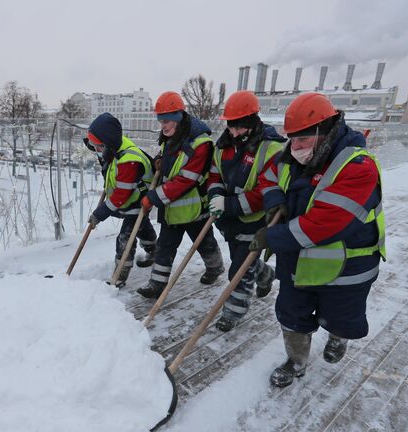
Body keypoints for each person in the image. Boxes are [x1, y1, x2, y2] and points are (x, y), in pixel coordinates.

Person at [249, 93, 386, 387]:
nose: (294, 147)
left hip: (345, 264)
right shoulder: (294, 154)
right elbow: (269, 177)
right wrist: (275, 202)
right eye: (291, 139)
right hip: (297, 262)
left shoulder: (357, 167)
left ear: (324, 132)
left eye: (302, 140)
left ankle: (338, 337)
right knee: (291, 313)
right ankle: (296, 361)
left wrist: (272, 236)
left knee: (341, 317)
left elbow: (322, 225)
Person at [206, 91, 286, 332]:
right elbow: (214, 175)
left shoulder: (272, 149)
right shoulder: (223, 146)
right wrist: (216, 196)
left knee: (238, 270)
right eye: (231, 126)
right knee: (243, 262)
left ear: (252, 121)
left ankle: (234, 311)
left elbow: (265, 193)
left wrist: (227, 205)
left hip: (256, 222)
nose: (233, 132)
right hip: (230, 221)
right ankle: (265, 274)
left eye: (239, 127)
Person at [138, 91, 224, 299]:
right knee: (165, 245)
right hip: (172, 208)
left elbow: (187, 179)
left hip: (194, 208)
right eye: (160, 121)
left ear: (178, 117)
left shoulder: (200, 143)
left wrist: (154, 197)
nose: (163, 126)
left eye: (166, 121)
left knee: (204, 242)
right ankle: (157, 284)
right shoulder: (172, 138)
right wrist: (160, 160)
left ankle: (215, 267)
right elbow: (172, 163)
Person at [86, 113, 157, 288]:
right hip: (129, 199)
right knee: (142, 229)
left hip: (138, 201)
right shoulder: (114, 146)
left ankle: (119, 276)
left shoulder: (129, 161)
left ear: (108, 143)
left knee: (125, 239)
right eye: (93, 146)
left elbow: (120, 196)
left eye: (98, 147)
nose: (96, 151)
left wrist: (99, 214)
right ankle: (155, 251)